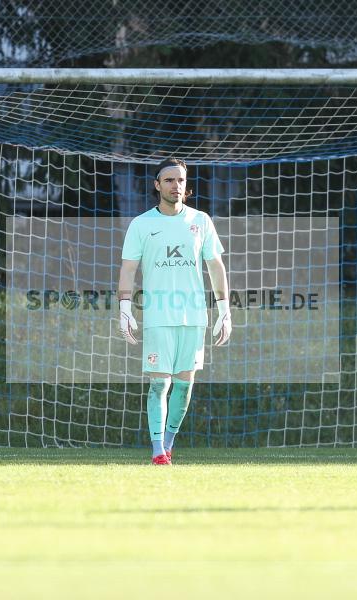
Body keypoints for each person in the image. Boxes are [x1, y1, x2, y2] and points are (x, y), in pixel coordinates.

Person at [117, 158, 231, 465]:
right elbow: (128, 269)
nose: (175, 185)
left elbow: (215, 267)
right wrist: (125, 308)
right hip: (157, 317)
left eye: (180, 180)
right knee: (160, 383)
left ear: (186, 186)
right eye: (168, 180)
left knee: (184, 386)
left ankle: (167, 444)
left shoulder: (201, 221)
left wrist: (224, 311)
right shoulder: (141, 224)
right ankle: (157, 451)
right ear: (157, 185)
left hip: (194, 318)